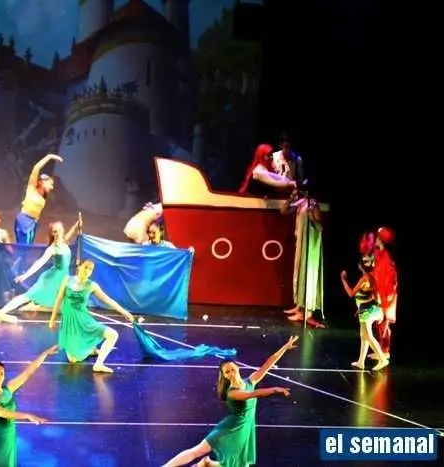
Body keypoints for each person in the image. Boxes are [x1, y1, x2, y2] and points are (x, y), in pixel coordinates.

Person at [160, 336, 298, 467]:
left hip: (244, 428)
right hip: (231, 428)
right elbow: (253, 394)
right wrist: (274, 389)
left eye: (232, 369)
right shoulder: (232, 392)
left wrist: (285, 347)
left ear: (237, 367)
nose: (231, 373)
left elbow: (268, 363)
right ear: (225, 376)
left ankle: (207, 464)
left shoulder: (250, 381)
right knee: (197, 451)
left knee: (240, 464)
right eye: (227, 372)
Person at [49, 260, 136, 373]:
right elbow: (59, 299)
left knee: (113, 334)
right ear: (79, 266)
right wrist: (52, 319)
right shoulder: (67, 280)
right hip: (70, 321)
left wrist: (125, 312)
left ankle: (98, 364)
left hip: (84, 319)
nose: (88, 271)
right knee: (73, 360)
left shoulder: (92, 285)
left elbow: (107, 300)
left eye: (91, 269)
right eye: (86, 267)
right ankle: (91, 350)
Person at [0, 218, 81, 315]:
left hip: (63, 279)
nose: (58, 233)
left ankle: (34, 306)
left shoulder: (64, 242)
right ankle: (1, 312)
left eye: (60, 230)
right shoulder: (52, 248)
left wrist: (76, 225)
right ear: (52, 234)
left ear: (63, 230)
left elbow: (69, 235)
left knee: (63, 307)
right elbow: (39, 263)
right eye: (55, 231)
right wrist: (25, 276)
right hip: (52, 279)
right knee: (27, 296)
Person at [281, 191, 324, 328]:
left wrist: (312, 217)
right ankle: (299, 306)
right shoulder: (301, 203)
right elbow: (284, 211)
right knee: (299, 274)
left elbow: (320, 227)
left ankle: (307, 312)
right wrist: (291, 198)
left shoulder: (313, 204)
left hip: (310, 246)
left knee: (308, 276)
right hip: (301, 242)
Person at [340, 259, 390, 371]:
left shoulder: (364, 279)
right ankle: (361, 362)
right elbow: (373, 296)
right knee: (363, 335)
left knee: (368, 336)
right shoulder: (372, 277)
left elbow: (351, 293)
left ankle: (382, 359)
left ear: (361, 266)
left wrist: (343, 280)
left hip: (367, 311)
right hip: (367, 309)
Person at [14, 153, 63, 244]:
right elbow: (36, 168)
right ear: (41, 182)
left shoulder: (43, 198)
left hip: (32, 223)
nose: (52, 187)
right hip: (24, 220)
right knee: (23, 246)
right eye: (50, 184)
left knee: (28, 245)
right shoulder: (32, 188)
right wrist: (50, 157)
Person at [373, 226, 397, 359]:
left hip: (386, 295)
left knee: (384, 324)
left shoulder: (387, 259)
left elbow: (391, 279)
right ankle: (380, 350)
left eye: (378, 237)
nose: (376, 239)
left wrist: (387, 297)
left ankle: (385, 351)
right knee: (379, 324)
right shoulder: (379, 255)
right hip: (379, 294)